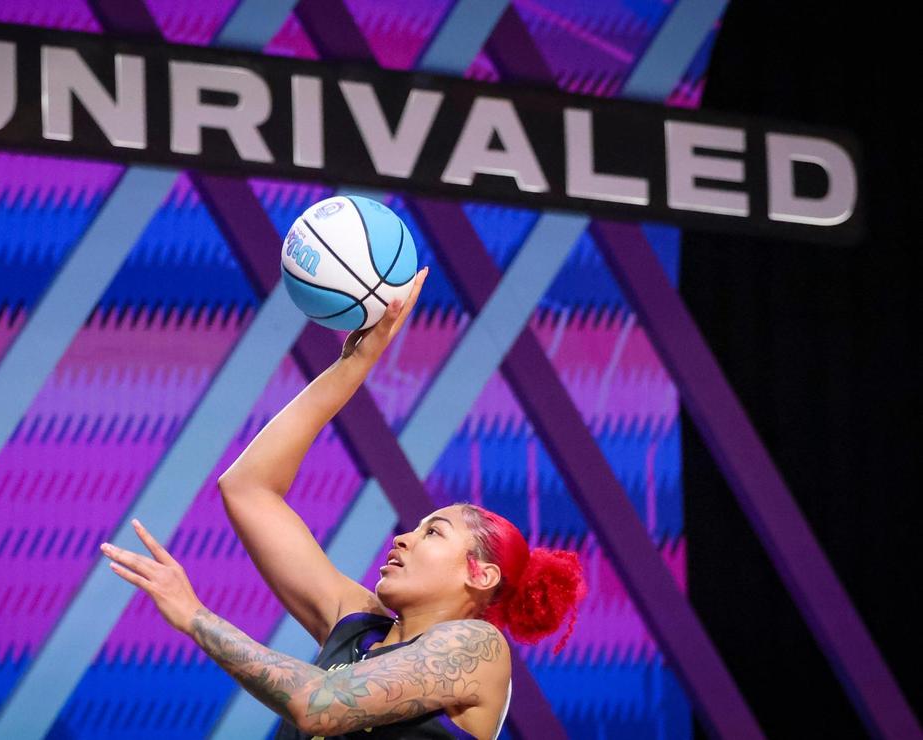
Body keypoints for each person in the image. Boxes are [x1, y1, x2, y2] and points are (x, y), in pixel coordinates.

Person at [100, 266, 585, 739]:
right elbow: (248, 489)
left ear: (480, 574)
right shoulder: (356, 624)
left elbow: (319, 706)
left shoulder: (476, 647)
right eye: (417, 527)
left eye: (433, 532)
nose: (403, 537)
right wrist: (354, 364)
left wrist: (197, 617)